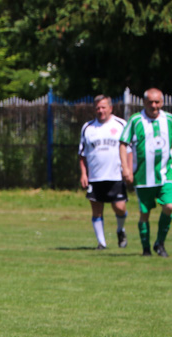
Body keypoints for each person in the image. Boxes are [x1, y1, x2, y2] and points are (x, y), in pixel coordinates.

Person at [119, 88, 172, 257]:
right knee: (144, 213)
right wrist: (126, 168)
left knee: (169, 206)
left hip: (165, 173)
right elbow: (123, 143)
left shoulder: (169, 119)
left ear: (162, 102)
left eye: (157, 102)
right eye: (150, 102)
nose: (154, 106)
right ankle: (146, 248)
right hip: (143, 176)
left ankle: (160, 243)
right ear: (144, 102)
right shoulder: (136, 120)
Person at [78, 95, 130, 250]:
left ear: (110, 108)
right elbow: (82, 153)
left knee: (120, 207)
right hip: (95, 176)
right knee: (96, 210)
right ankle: (101, 243)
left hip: (115, 175)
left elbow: (129, 150)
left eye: (103, 107)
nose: (100, 111)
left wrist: (128, 170)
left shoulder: (121, 124)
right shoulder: (88, 128)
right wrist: (83, 173)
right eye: (97, 108)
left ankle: (120, 230)